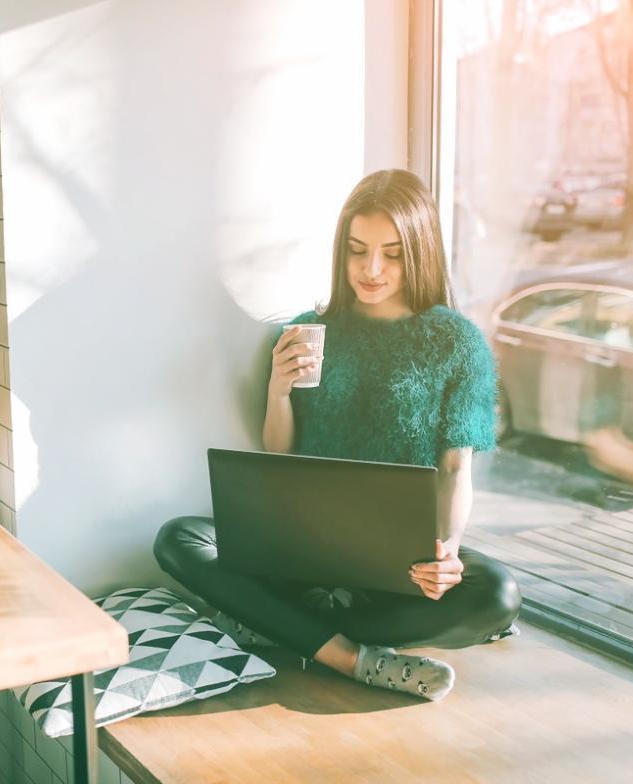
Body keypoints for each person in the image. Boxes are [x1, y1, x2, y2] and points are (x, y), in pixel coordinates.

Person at [154, 169, 521, 701]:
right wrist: (278, 391)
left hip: (394, 564)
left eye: (392, 253)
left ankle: (286, 628)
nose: (371, 269)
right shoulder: (310, 330)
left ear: (419, 252)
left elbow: (455, 467)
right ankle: (351, 658)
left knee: (496, 595)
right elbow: (280, 453)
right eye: (357, 250)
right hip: (303, 551)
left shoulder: (456, 343)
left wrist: (447, 553)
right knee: (181, 538)